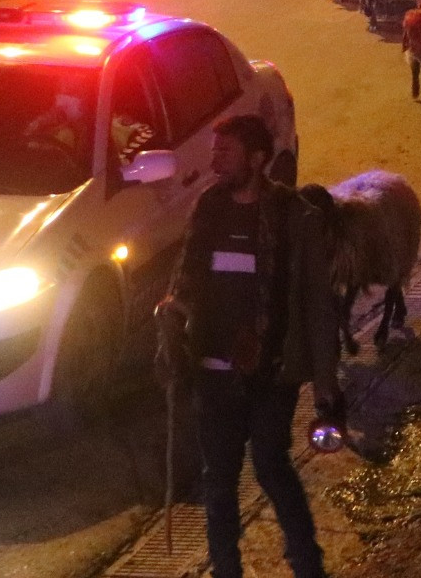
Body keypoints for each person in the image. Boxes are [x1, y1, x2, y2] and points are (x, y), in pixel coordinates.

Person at [156, 115, 342, 578]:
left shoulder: (295, 218)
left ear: (256, 159)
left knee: (270, 467)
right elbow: (187, 280)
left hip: (272, 371)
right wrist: (171, 318)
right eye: (214, 149)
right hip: (211, 371)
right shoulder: (208, 210)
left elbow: (317, 305)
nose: (215, 159)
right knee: (218, 483)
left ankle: (306, 562)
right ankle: (226, 570)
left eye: (226, 151)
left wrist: (324, 382)